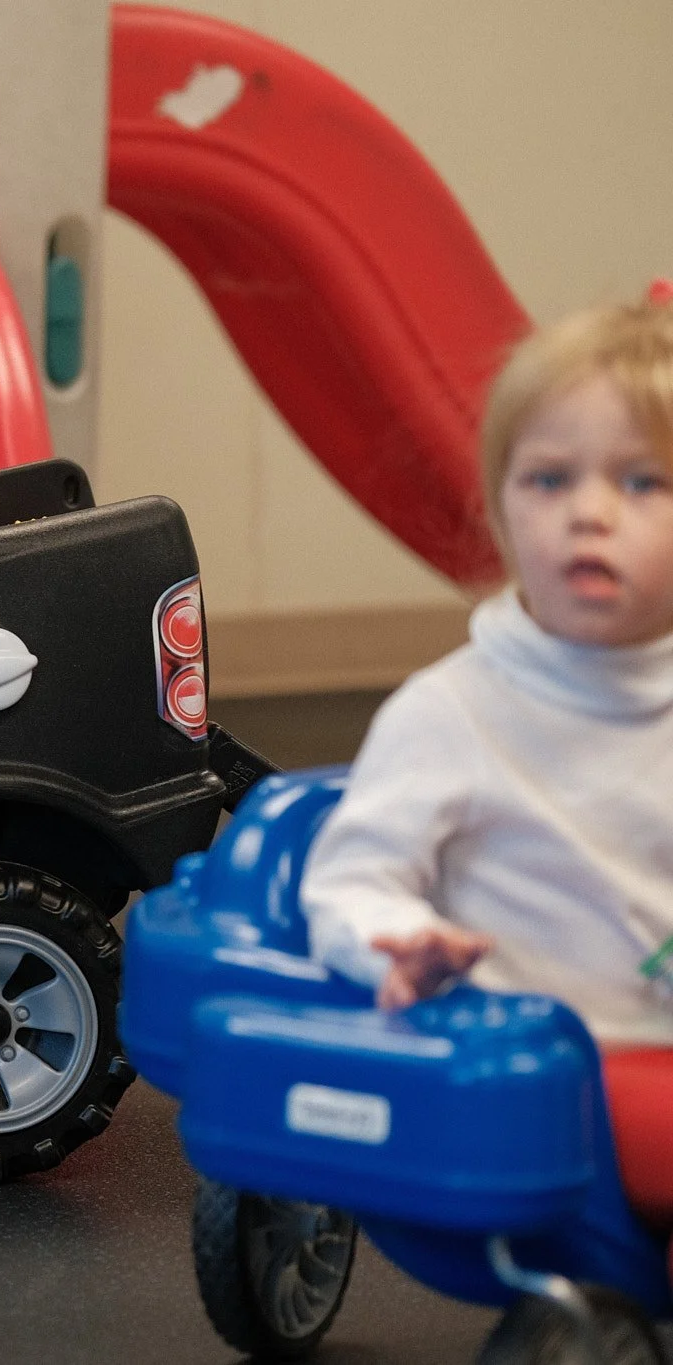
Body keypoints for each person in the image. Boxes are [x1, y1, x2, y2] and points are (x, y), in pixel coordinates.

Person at [300, 288, 673, 1269]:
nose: (587, 514)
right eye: (547, 480)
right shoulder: (451, 713)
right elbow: (349, 881)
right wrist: (406, 947)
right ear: (501, 502)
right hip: (537, 1065)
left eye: (641, 484)